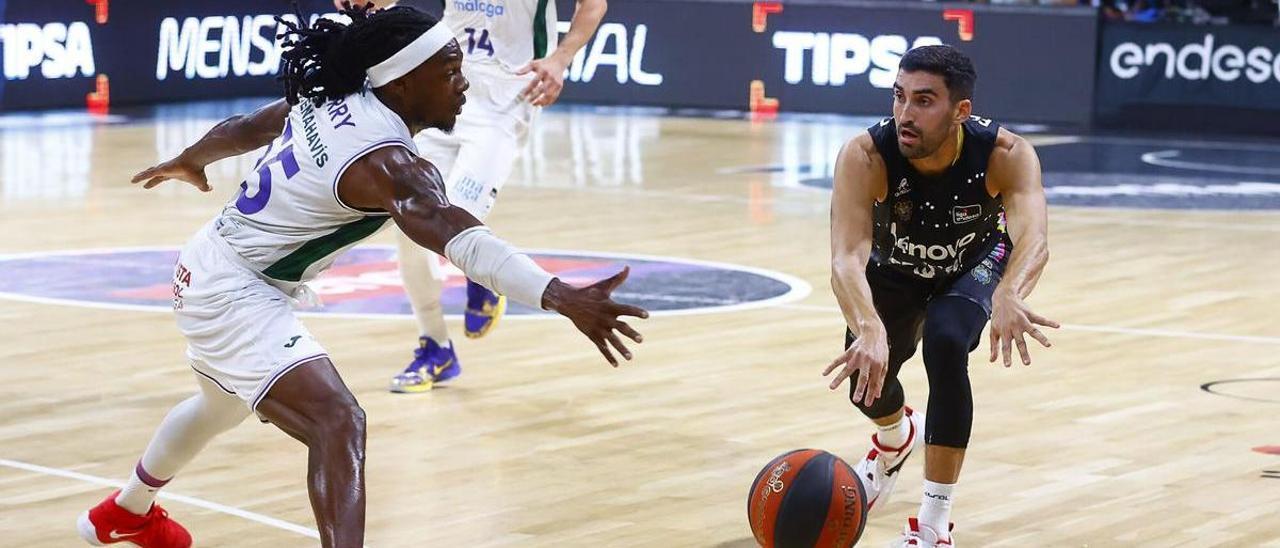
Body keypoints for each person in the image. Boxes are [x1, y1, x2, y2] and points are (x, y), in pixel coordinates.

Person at [76, 5, 645, 547]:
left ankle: (126, 513)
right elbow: (461, 237)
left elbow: (250, 126)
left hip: (212, 265)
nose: (463, 83)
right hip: (232, 290)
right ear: (402, 84)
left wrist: (195, 157)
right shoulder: (386, 162)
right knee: (338, 421)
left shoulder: (336, 97)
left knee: (218, 405)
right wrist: (560, 296)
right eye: (449, 72)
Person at [823, 45, 1058, 547]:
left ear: (960, 111)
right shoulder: (865, 155)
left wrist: (1011, 293)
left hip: (971, 266)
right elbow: (845, 255)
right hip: (893, 269)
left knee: (947, 345)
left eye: (924, 101)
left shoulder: (1005, 154)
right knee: (866, 386)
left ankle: (933, 524)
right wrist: (868, 327)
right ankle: (894, 439)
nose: (905, 114)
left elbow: (1033, 235)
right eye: (899, 97)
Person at [347, 0, 608, 393]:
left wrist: (560, 59)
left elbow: (594, 3)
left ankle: (480, 272)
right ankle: (436, 347)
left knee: (453, 216)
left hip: (508, 94)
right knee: (406, 218)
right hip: (444, 82)